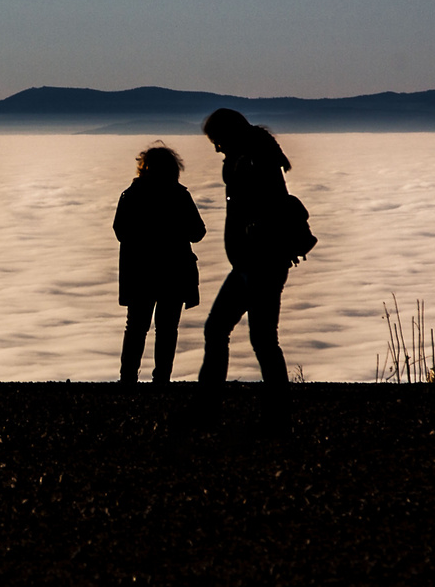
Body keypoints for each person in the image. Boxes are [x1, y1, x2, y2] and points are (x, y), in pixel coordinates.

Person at [197, 108, 297, 391]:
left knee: (245, 336)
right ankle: (273, 415)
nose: (216, 148)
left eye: (217, 139)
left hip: (258, 263)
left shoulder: (251, 160)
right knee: (251, 337)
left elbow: (263, 207)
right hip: (253, 263)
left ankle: (214, 409)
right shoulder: (256, 155)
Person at [113, 144, 205, 383]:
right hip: (174, 271)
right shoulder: (179, 195)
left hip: (139, 272)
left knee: (136, 327)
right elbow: (197, 232)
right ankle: (162, 380)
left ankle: (127, 380)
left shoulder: (131, 195)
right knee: (166, 329)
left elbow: (120, 231)